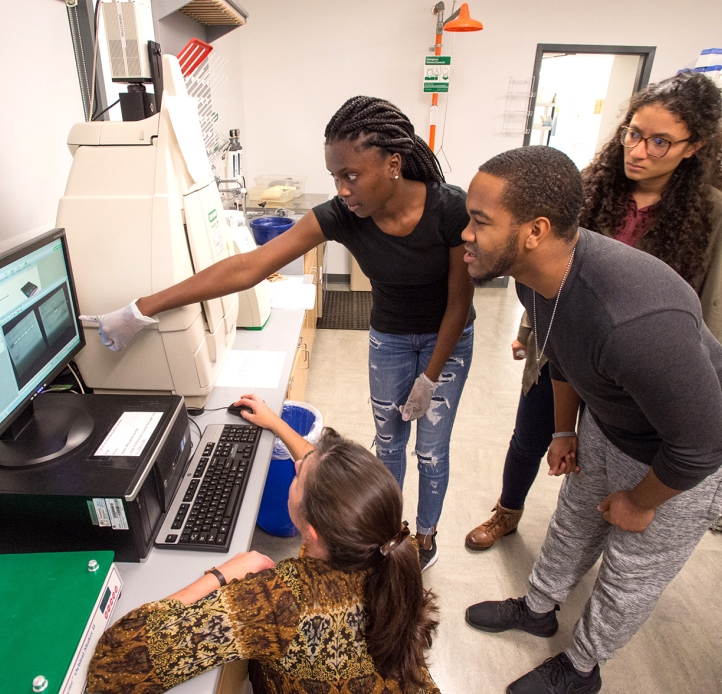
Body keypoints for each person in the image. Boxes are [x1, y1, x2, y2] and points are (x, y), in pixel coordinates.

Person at [83, 96, 475, 570]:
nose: (342, 189)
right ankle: (385, 536)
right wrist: (141, 309)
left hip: (447, 337)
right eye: (335, 176)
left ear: (394, 164)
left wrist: (430, 378)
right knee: (389, 442)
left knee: (431, 450)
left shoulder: (449, 209)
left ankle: (426, 537)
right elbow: (249, 266)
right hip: (390, 335)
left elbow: (459, 302)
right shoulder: (343, 215)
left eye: (351, 175)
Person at [460, 145, 722, 694]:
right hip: (607, 424)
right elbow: (561, 351)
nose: (465, 233)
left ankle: (581, 668)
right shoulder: (533, 275)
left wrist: (640, 499)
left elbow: (701, 444)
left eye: (480, 221)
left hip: (680, 461)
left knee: (630, 570)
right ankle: (538, 608)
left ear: (535, 230)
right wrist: (563, 430)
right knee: (574, 519)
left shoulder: (636, 320)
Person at [465, 71, 722, 552]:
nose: (639, 150)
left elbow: (708, 309)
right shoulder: (591, 189)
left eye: (659, 141)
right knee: (535, 434)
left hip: (644, 356)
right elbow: (539, 268)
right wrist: (533, 330)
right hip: (568, 341)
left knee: (622, 455)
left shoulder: (710, 213)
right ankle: (508, 511)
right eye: (633, 133)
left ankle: (608, 529)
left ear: (694, 147)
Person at [86, 394, 440, 693]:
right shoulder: (386, 549)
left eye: (299, 477)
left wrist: (221, 575)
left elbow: (116, 661)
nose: (298, 467)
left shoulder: (279, 601)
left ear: (311, 531)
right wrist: (276, 423)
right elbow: (317, 465)